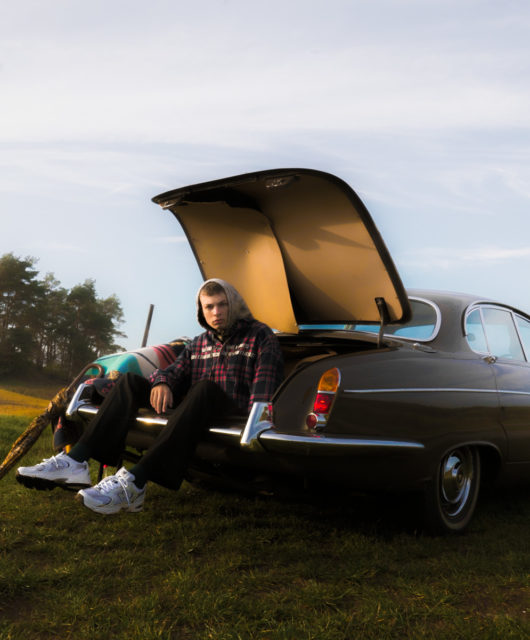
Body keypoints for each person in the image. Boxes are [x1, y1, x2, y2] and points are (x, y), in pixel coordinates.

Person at [16, 279, 284, 514]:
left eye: (222, 305)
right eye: (209, 307)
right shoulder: (200, 342)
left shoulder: (260, 336)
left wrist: (254, 429)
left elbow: (264, 388)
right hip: (194, 410)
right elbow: (172, 371)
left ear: (233, 304)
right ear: (201, 311)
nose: (216, 312)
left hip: (234, 414)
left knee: (203, 388)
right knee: (130, 382)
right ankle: (76, 460)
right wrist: (163, 382)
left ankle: (135, 483)